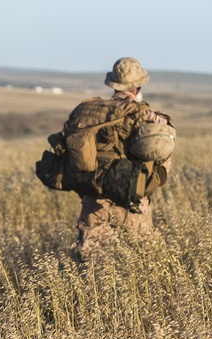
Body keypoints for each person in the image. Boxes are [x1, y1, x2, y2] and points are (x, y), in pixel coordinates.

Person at [70, 58, 173, 261]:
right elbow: (163, 161)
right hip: (132, 200)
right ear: (137, 87)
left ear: (112, 84)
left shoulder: (86, 112)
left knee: (91, 265)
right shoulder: (147, 116)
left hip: (93, 200)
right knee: (140, 263)